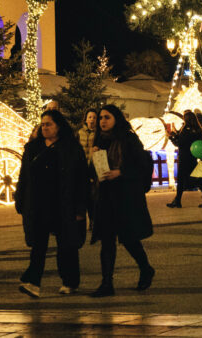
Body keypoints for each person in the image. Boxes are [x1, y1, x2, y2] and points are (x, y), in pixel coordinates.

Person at [16, 110, 89, 298]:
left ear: (58, 126)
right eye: (43, 124)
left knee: (66, 246)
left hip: (63, 203)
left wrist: (80, 208)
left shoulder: (71, 148)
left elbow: (81, 179)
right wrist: (21, 199)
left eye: (49, 124)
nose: (45, 128)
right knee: (38, 245)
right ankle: (33, 283)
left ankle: (70, 281)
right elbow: (24, 176)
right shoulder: (33, 148)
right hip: (39, 203)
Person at [89, 105, 154, 297]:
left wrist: (121, 172)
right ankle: (106, 283)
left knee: (129, 239)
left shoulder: (128, 139)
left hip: (126, 196)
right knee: (107, 241)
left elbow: (143, 165)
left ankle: (146, 268)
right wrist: (94, 159)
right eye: (100, 117)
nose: (102, 121)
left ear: (116, 119)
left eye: (107, 117)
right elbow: (93, 171)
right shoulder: (100, 140)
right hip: (106, 196)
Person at [167, 111, 202, 209]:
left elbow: (180, 144)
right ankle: (178, 200)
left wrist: (171, 137)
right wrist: (177, 135)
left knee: (185, 180)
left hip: (184, 157)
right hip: (192, 157)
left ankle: (178, 201)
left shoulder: (186, 129)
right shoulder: (197, 129)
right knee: (193, 178)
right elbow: (189, 141)